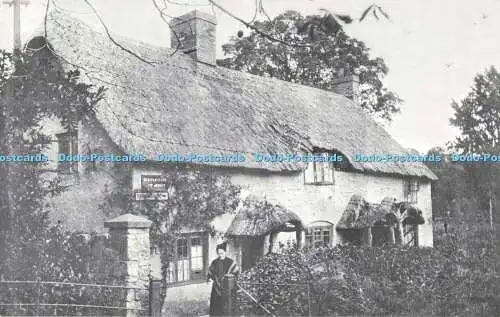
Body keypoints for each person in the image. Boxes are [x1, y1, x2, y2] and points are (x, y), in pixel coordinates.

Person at [207, 242, 239, 317]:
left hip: (227, 289)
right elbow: (210, 273)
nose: (220, 255)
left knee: (227, 307)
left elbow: (236, 273)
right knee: (216, 308)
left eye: (222, 253)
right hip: (216, 289)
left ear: (225, 252)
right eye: (219, 253)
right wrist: (212, 279)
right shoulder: (214, 262)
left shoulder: (231, 262)